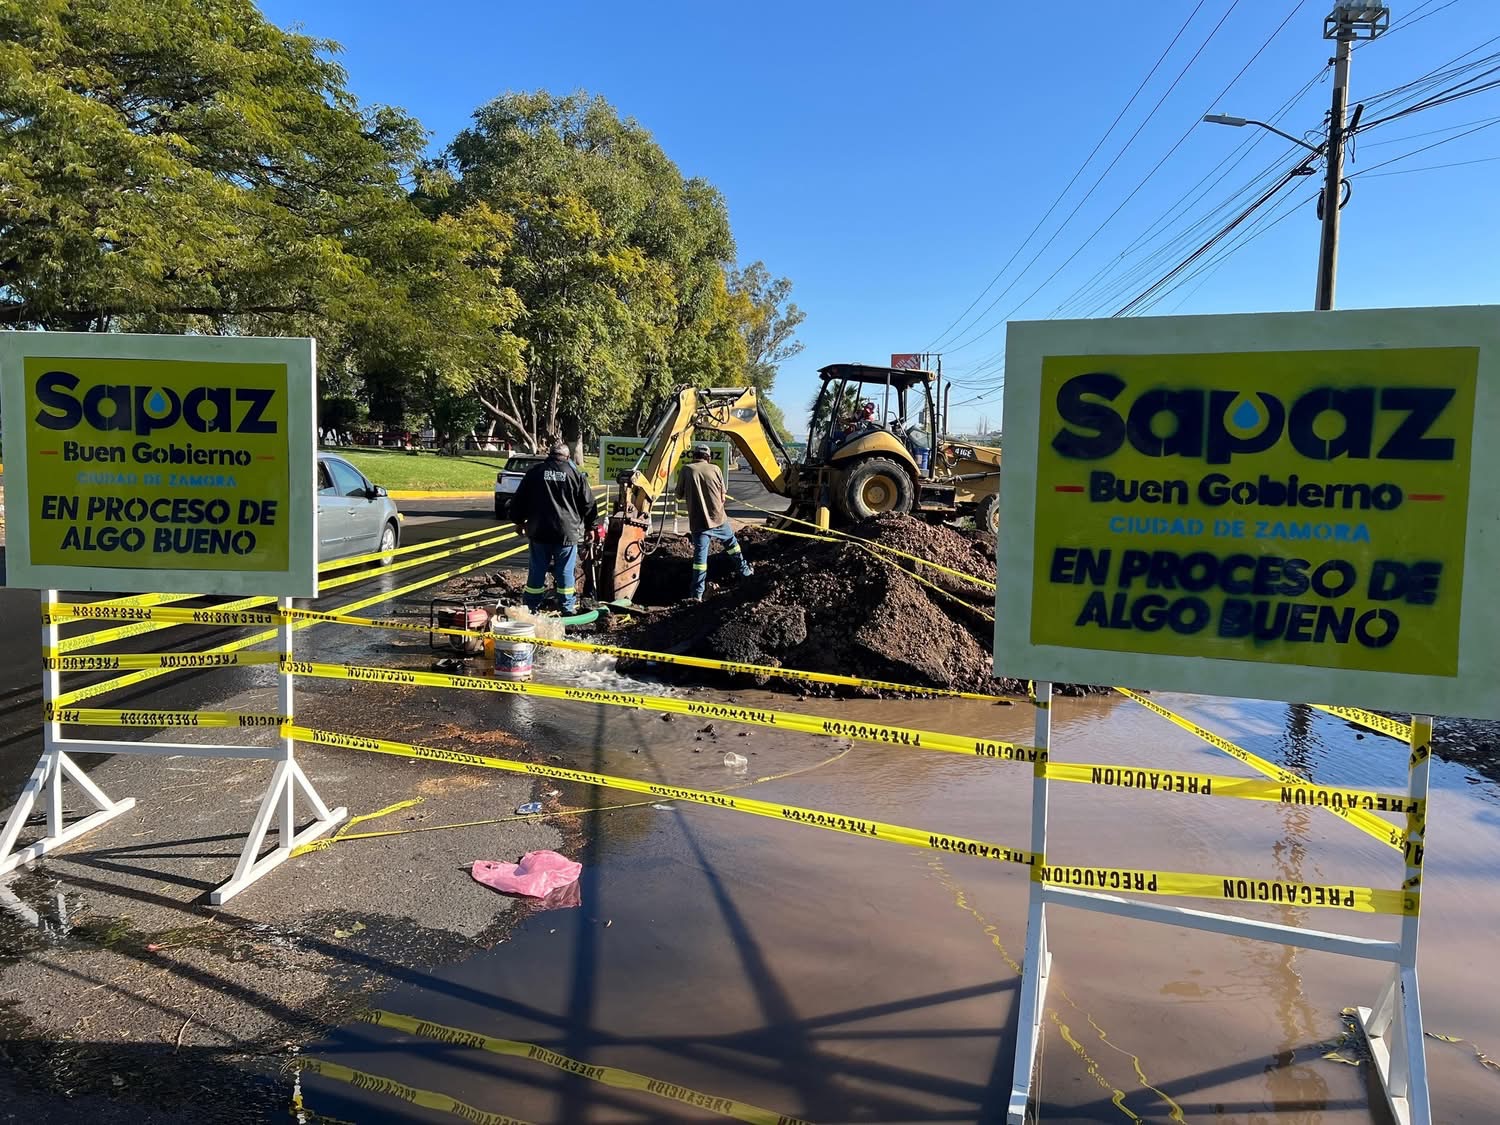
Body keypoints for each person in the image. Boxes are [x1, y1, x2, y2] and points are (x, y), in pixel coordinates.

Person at [511, 440, 600, 613]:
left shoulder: (535, 473)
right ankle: (567, 607)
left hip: (539, 531)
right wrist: (591, 527)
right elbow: (588, 503)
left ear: (550, 455)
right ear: (567, 457)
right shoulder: (576, 475)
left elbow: (519, 499)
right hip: (566, 534)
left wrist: (519, 521)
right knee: (566, 571)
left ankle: (531, 607)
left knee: (537, 570)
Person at [676, 443, 752, 602]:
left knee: (700, 561)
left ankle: (696, 595)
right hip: (719, 519)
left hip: (699, 524)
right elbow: (723, 496)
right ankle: (746, 574)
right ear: (708, 457)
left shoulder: (686, 470)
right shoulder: (716, 469)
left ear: (694, 455)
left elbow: (678, 495)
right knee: (732, 545)